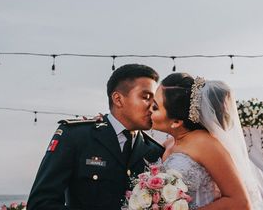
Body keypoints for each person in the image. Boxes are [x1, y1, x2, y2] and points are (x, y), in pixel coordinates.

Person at [27, 64, 164, 210]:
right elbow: (40, 204)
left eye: (155, 100)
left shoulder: (154, 151)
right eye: (146, 97)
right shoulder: (75, 136)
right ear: (118, 99)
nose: (153, 106)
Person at [151, 72, 263, 210]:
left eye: (155, 107)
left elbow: (240, 202)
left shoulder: (205, 144)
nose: (148, 109)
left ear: (176, 122)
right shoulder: (170, 143)